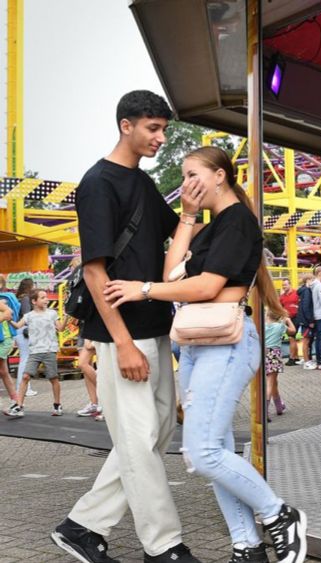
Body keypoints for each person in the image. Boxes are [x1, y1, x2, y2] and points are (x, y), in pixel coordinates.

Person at [103, 146, 308, 563]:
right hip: (199, 345)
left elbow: (204, 288)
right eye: (183, 175)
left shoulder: (237, 223)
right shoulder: (211, 226)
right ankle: (247, 546)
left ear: (219, 176)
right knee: (214, 452)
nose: (186, 183)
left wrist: (141, 290)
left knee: (203, 452)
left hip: (227, 343)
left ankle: (280, 515)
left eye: (194, 174)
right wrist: (188, 215)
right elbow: (171, 269)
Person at [49, 90, 198, 563]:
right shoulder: (98, 183)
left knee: (153, 438)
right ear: (125, 126)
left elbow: (177, 234)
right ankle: (165, 545)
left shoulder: (144, 184)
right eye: (152, 128)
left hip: (154, 323)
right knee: (138, 441)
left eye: (163, 130)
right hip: (122, 334)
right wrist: (123, 344)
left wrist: (201, 210)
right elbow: (95, 271)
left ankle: (82, 526)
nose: (160, 138)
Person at [4, 289, 67, 416]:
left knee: (53, 378)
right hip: (34, 351)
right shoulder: (28, 316)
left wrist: (66, 315)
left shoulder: (52, 314)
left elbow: (60, 328)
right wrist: (8, 319)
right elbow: (17, 326)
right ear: (34, 301)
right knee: (25, 376)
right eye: (43, 297)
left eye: (46, 297)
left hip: (49, 350)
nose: (46, 300)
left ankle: (57, 405)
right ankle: (19, 406)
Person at [265, 307, 296, 420]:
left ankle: (279, 406)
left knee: (273, 382)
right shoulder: (280, 326)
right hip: (274, 354)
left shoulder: (262, 326)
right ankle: (265, 410)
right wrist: (288, 321)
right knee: (270, 382)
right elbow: (293, 331)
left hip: (262, 354)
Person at [13, 278, 38, 398]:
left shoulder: (19, 297)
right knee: (25, 359)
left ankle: (24, 387)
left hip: (18, 330)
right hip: (24, 331)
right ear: (29, 286)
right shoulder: (26, 299)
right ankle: (23, 388)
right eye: (33, 285)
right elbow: (27, 315)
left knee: (24, 358)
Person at [0, 298, 19, 403]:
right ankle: (15, 401)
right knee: (3, 372)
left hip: (4, 340)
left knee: (3, 371)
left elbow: (9, 312)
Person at [278, 279, 300, 366]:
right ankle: (296, 357)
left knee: (291, 338)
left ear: (290, 285)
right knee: (292, 339)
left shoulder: (296, 293)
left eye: (285, 285)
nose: (284, 286)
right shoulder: (282, 297)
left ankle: (291, 358)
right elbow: (280, 307)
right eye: (283, 285)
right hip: (288, 319)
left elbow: (301, 304)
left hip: (296, 318)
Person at [296, 275, 315, 369]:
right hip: (306, 320)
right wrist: (310, 320)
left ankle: (307, 359)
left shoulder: (302, 290)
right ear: (308, 280)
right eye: (312, 279)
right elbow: (306, 306)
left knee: (306, 341)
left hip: (303, 319)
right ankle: (306, 362)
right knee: (306, 341)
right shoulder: (307, 291)